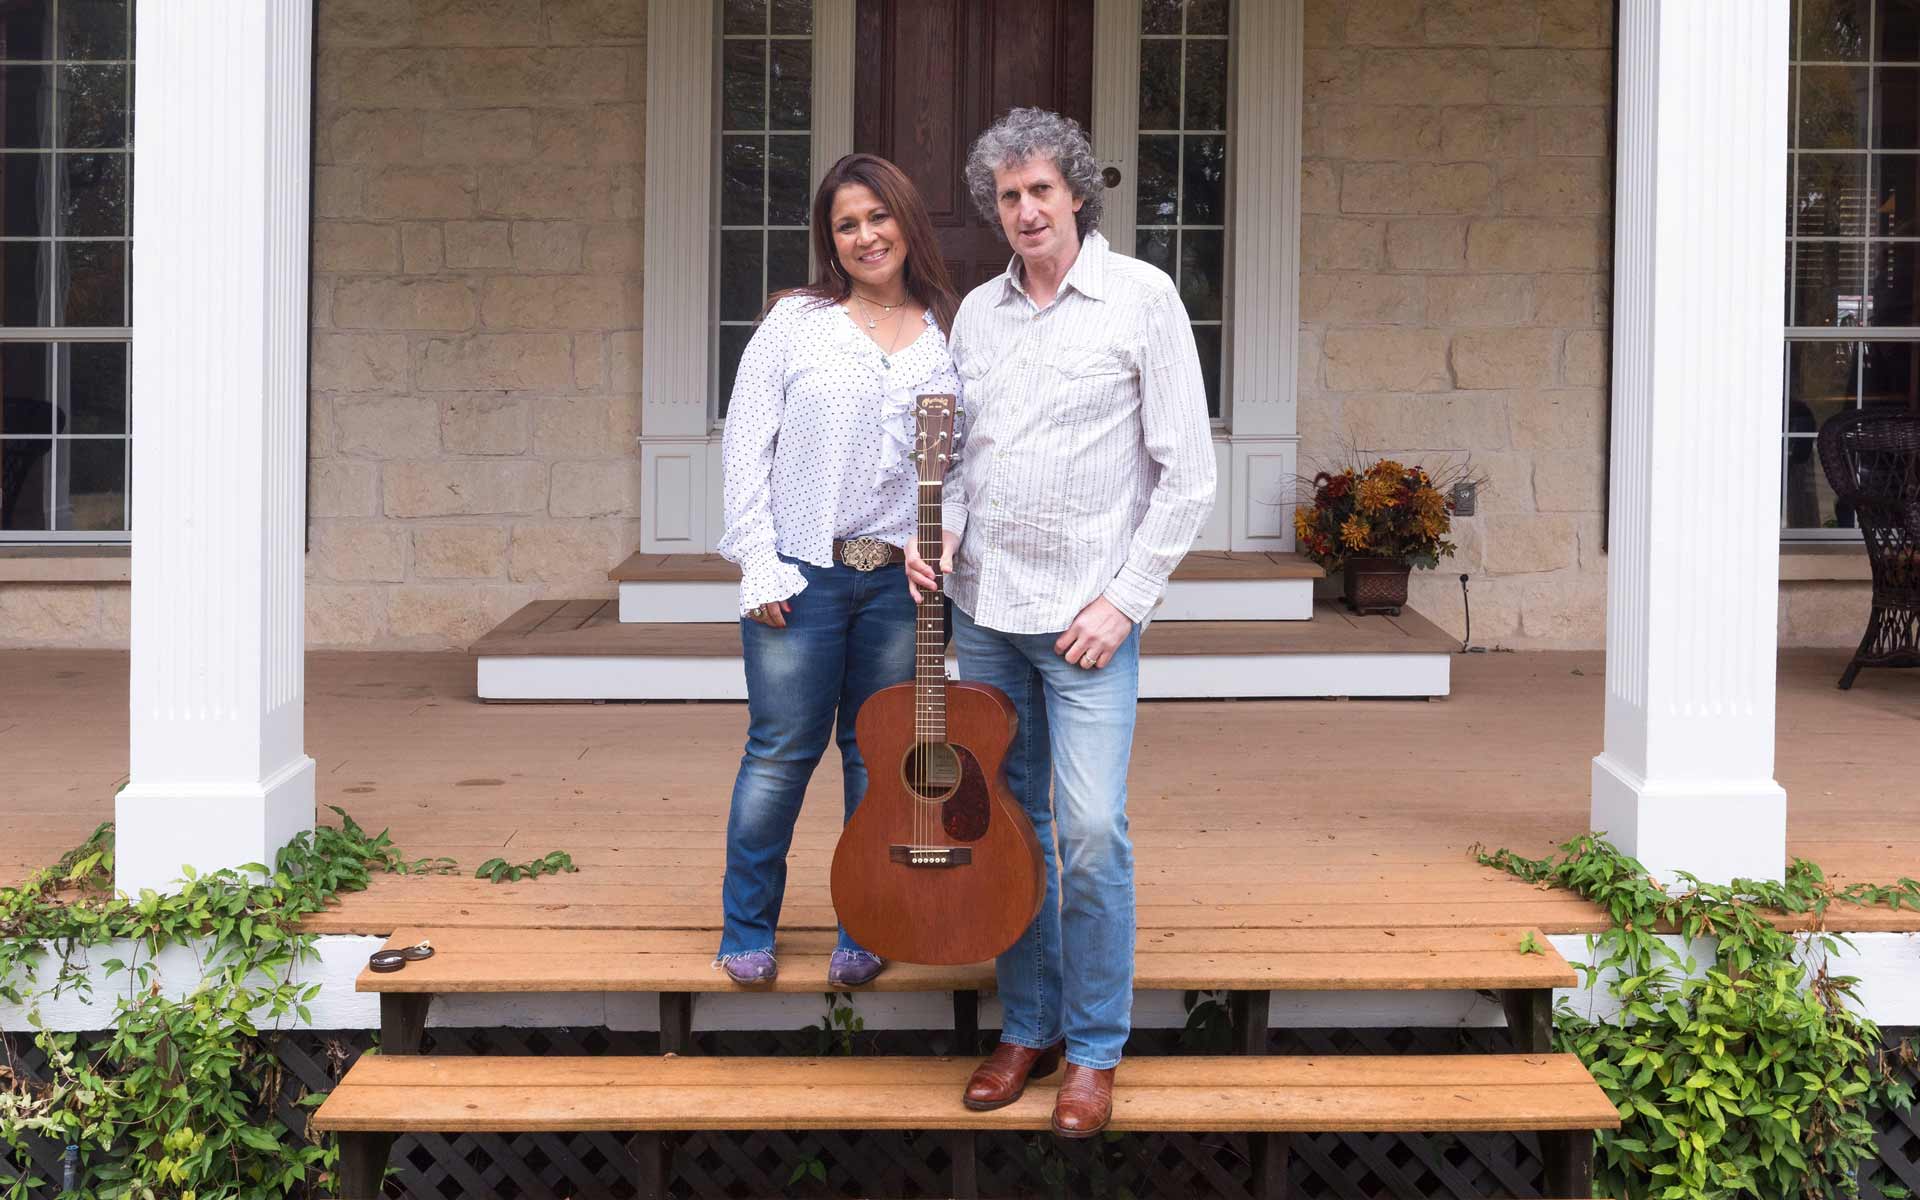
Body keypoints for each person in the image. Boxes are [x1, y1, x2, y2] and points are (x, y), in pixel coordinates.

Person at [906, 108, 1216, 1136]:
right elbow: (968, 462)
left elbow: (1188, 475)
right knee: (1005, 828)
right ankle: (1026, 1028)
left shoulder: (1142, 300)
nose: (1026, 210)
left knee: (1088, 832)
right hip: (985, 612)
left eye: (1041, 190)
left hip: (1088, 623)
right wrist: (936, 547)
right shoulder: (979, 316)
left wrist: (1124, 601)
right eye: (1007, 196)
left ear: (1078, 192)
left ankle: (1092, 1048)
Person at [715, 153, 963, 990]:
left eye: (877, 217)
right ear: (831, 240)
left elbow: (966, 462)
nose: (865, 236)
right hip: (800, 572)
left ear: (906, 221)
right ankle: (747, 924)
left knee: (877, 755)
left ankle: (867, 918)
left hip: (899, 584)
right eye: (846, 224)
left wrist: (945, 536)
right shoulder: (796, 323)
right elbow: (745, 446)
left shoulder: (949, 332)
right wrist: (759, 563)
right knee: (781, 753)